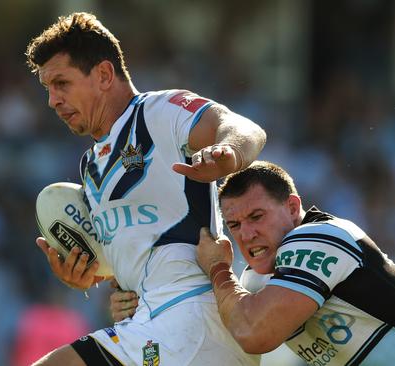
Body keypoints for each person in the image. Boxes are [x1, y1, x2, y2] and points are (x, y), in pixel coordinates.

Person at [25, 12, 266, 366]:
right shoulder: (91, 166)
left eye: (62, 83)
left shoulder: (158, 113)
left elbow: (243, 127)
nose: (52, 100)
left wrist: (229, 152)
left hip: (194, 315)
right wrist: (89, 276)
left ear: (105, 75)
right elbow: (140, 248)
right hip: (156, 322)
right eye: (48, 88)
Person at [190, 161, 395, 365]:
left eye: (256, 216)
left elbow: (255, 333)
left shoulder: (319, 236)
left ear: (292, 208)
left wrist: (219, 269)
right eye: (234, 226)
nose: (246, 234)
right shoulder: (253, 285)